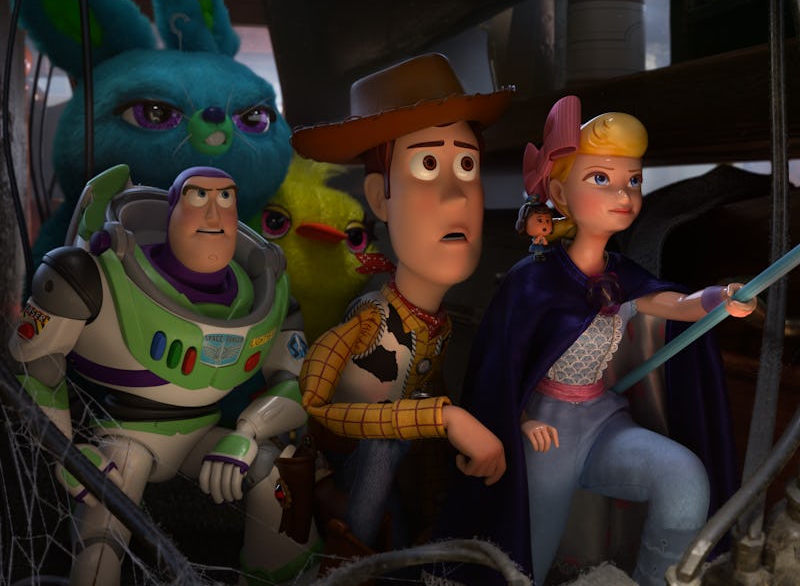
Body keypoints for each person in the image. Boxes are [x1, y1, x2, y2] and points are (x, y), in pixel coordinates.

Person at [436, 95, 756, 586]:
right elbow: (499, 368)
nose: (624, 194)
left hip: (603, 418)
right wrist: (519, 420)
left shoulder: (622, 274)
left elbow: (672, 304)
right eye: (601, 179)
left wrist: (720, 298)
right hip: (546, 430)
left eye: (634, 181)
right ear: (559, 194)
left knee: (684, 479)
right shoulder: (532, 282)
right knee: (528, 552)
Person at [8, 165, 318, 585]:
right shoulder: (92, 272)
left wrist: (248, 431)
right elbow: (33, 365)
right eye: (198, 196)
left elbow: (294, 386)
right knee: (102, 531)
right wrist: (67, 456)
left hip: (204, 432)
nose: (214, 214)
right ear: (171, 209)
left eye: (225, 198)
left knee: (276, 476)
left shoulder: (267, 289)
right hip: (127, 437)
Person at [290, 53, 514, 556]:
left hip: (401, 490)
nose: (458, 197)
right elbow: (316, 406)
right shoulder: (372, 318)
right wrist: (443, 418)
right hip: (343, 477)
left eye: (468, 165)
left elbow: (428, 423)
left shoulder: (437, 326)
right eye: (427, 165)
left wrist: (437, 509)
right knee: (382, 450)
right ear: (379, 197)